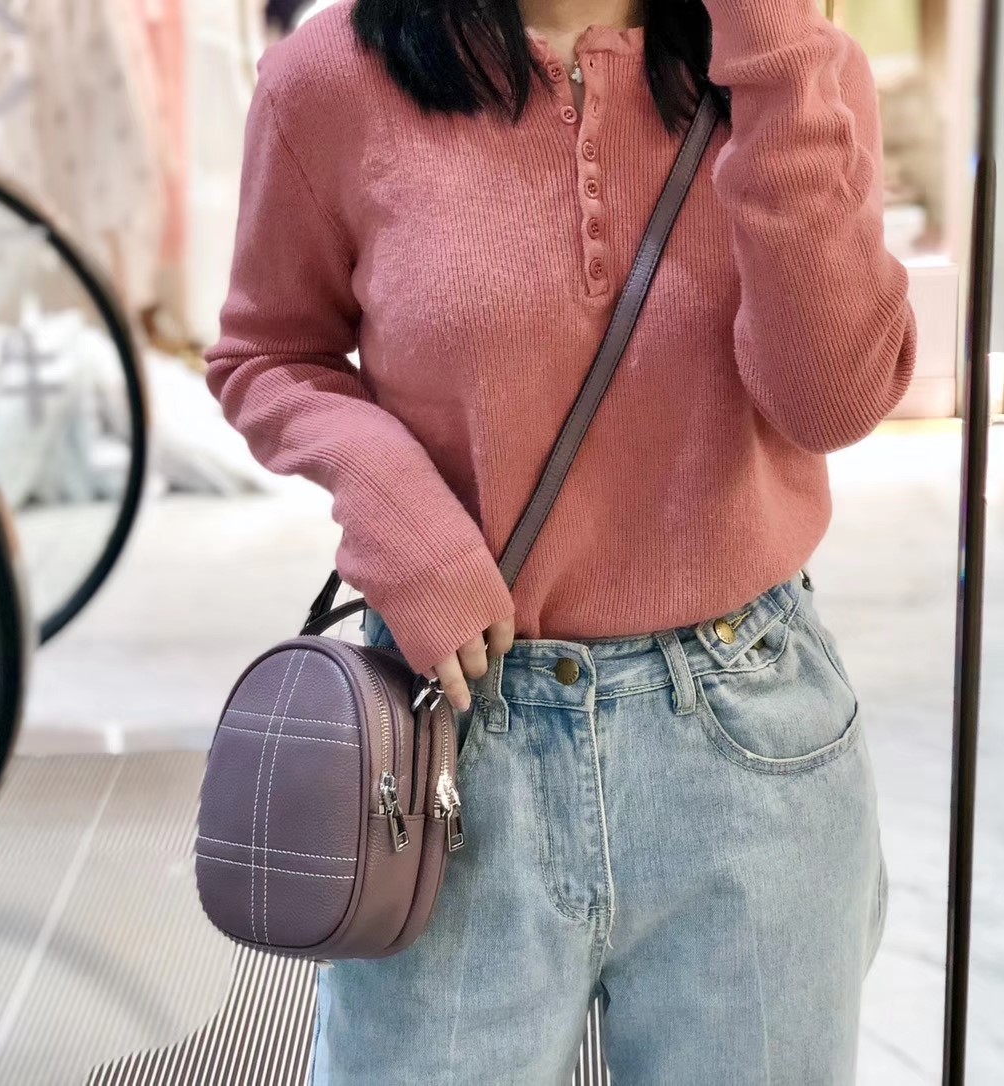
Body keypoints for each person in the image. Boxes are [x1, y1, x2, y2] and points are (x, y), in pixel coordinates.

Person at [204, 0, 916, 1081]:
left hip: (748, 738)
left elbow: (832, 400)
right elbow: (268, 352)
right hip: (454, 739)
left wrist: (772, 46)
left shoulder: (794, 68)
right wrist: (399, 515)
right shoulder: (330, 77)